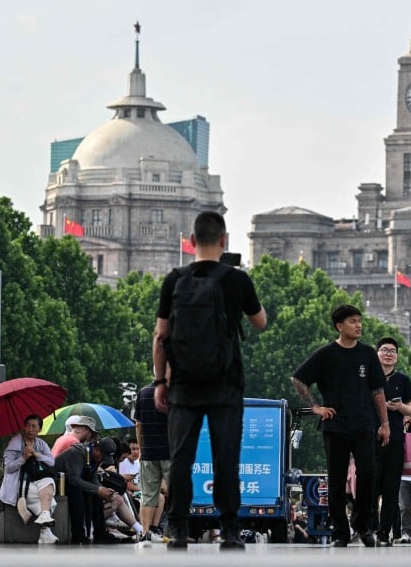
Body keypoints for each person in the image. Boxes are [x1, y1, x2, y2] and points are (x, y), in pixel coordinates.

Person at [153, 211, 267, 550]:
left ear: (191, 241)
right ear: (223, 240)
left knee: (182, 459)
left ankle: (176, 528)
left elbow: (161, 336)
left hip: (184, 387)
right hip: (226, 384)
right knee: (226, 457)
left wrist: (161, 382)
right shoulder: (237, 280)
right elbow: (259, 322)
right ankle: (229, 529)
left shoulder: (174, 279)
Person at [291, 303, 388, 547]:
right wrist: (316, 407)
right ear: (339, 326)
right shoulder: (325, 354)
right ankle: (340, 532)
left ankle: (363, 526)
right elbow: (298, 378)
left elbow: (377, 390)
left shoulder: (367, 354)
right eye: (353, 321)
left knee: (367, 475)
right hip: (335, 426)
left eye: (359, 320)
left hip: (364, 424)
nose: (359, 325)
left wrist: (385, 423)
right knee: (335, 479)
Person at [373, 337, 411, 545]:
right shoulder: (368, 378)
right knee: (370, 486)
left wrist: (399, 408)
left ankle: (384, 532)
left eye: (392, 351)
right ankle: (369, 528)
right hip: (370, 440)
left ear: (397, 357)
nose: (388, 353)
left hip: (396, 441)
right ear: (377, 354)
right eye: (384, 350)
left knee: (391, 489)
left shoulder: (403, 380)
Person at [52, 416, 115, 544]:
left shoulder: (95, 456)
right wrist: (97, 489)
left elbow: (91, 477)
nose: (102, 460)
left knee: (96, 495)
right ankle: (78, 535)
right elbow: (74, 479)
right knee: (77, 491)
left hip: (71, 481)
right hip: (58, 481)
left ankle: (100, 533)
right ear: (97, 449)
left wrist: (101, 490)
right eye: (103, 456)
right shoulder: (78, 451)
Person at [0, 414, 59, 544]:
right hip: (20, 483)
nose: (30, 429)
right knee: (51, 503)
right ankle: (45, 532)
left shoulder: (40, 443)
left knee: (49, 481)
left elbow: (51, 462)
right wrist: (23, 458)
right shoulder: (15, 442)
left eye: (34, 426)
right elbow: (9, 468)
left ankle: (45, 523)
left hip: (38, 478)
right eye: (27, 426)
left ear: (40, 429)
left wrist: (37, 455)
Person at [135, 370, 171, 542]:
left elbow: (139, 425)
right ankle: (178, 532)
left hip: (149, 453)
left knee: (148, 495)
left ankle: (145, 533)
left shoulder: (142, 394)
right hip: (170, 453)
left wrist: (142, 449)